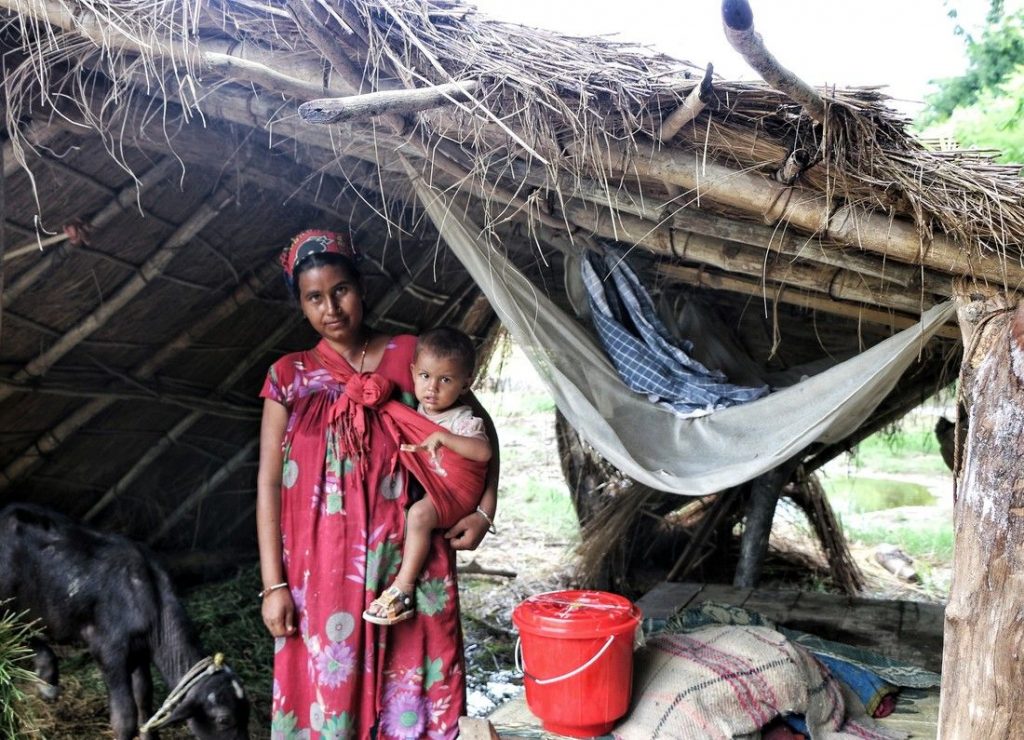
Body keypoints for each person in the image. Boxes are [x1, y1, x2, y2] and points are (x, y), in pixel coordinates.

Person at [256, 229, 499, 740]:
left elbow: (479, 431)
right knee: (330, 693)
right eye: (314, 297)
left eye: (340, 289)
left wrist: (484, 511)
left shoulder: (411, 357)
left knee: (410, 700)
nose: (332, 308)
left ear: (361, 288)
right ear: (300, 304)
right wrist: (274, 584)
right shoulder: (288, 376)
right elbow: (269, 481)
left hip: (408, 565)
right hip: (320, 570)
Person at [363, 327, 493, 626]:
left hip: (456, 494)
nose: (432, 387)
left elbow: (483, 452)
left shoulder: (462, 419)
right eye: (424, 376)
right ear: (413, 372)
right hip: (437, 486)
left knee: (419, 516)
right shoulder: (418, 409)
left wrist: (445, 438)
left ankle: (404, 588)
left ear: (465, 385)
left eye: (445, 380)